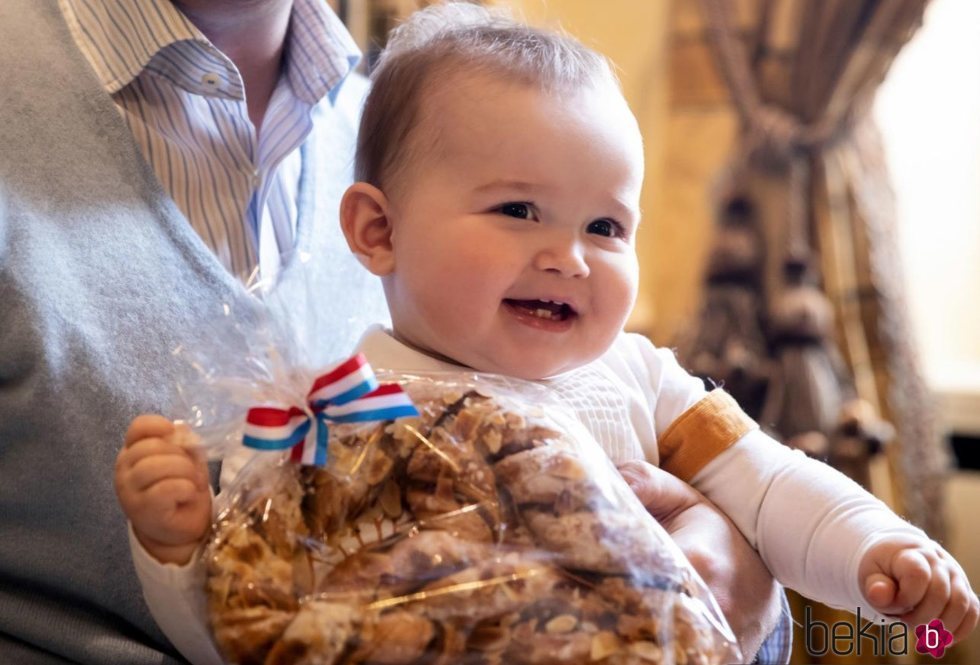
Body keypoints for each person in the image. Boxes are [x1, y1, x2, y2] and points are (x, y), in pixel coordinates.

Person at [0, 1, 785, 663]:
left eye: (607, 227)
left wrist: (737, 572)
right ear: (372, 229)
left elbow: (744, 590)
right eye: (519, 212)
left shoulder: (430, 127)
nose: (563, 254)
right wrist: (176, 552)